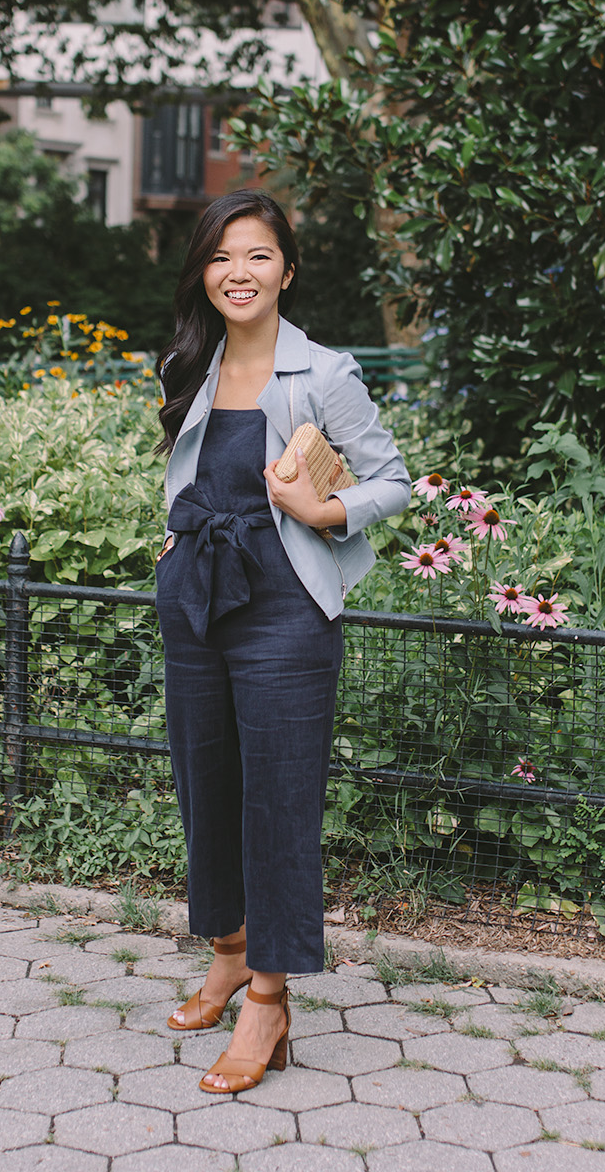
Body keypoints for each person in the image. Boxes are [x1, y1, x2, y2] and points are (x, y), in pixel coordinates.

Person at [154, 188, 410, 1094]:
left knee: (277, 802)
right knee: (205, 787)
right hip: (195, 600)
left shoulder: (325, 373)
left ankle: (269, 996)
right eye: (223, 257)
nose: (239, 273)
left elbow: (393, 482)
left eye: (258, 255)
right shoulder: (189, 362)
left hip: (285, 612)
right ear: (204, 271)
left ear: (287, 271)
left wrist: (323, 508)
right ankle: (228, 951)